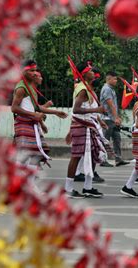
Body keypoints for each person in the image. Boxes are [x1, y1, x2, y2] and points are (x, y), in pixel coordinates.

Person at [12, 60, 67, 191]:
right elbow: (14, 108)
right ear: (23, 72)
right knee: (29, 155)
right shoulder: (21, 88)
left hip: (31, 124)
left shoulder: (30, 87)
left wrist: (55, 112)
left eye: (35, 70)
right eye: (31, 70)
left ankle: (26, 185)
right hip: (24, 123)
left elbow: (37, 107)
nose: (34, 73)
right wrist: (34, 115)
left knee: (31, 156)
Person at [64, 61, 105, 199]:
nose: (94, 73)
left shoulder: (88, 88)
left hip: (90, 126)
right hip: (82, 126)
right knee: (76, 156)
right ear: (84, 73)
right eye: (91, 70)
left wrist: (99, 120)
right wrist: (97, 109)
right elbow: (76, 110)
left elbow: (88, 111)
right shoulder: (83, 89)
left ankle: (88, 187)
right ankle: (68, 188)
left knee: (93, 155)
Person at [100, 71, 129, 167]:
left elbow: (114, 106)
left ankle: (118, 158)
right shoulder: (107, 89)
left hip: (112, 118)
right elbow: (110, 104)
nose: (116, 81)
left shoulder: (111, 89)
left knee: (117, 138)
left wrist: (117, 116)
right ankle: (103, 159)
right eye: (114, 79)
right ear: (109, 79)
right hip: (107, 118)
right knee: (105, 139)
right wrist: (116, 117)